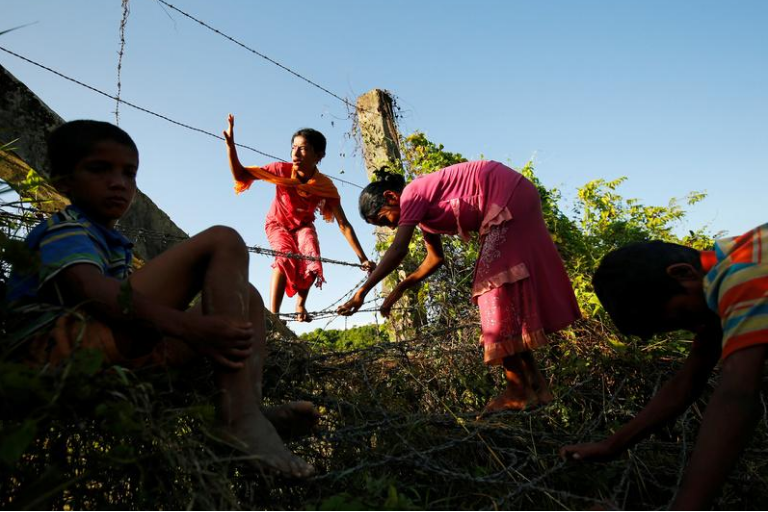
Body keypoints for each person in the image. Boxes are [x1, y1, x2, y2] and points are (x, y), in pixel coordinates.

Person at [6, 120, 315, 478]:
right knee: (223, 239)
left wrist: (194, 328)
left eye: (129, 173)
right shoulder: (66, 227)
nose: (119, 182)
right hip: (50, 359)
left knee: (247, 297)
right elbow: (94, 293)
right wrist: (189, 327)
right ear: (63, 182)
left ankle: (249, 407)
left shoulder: (111, 242)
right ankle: (239, 418)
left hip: (107, 362)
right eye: (99, 169)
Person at [337, 161, 581, 414]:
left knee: (491, 289)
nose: (391, 227)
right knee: (503, 293)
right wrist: (400, 288)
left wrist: (361, 293)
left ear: (391, 196)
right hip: (514, 195)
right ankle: (538, 387)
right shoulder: (423, 215)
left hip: (505, 195)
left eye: (384, 220)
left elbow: (398, 250)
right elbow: (434, 259)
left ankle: (517, 391)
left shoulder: (412, 194)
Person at [560, 227, 768, 510]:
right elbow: (688, 381)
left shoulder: (742, 275)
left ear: (683, 273)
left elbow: (737, 395)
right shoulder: (729, 268)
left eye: (683, 316)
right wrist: (613, 445)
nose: (696, 329)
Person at [223, 114, 375, 322]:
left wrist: (363, 258)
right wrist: (231, 146)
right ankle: (273, 317)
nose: (295, 152)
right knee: (285, 256)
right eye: (293, 147)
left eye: (302, 148)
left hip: (303, 225)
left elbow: (344, 224)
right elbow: (241, 175)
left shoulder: (324, 186)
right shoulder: (281, 170)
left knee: (311, 253)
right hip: (277, 224)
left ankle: (300, 304)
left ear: (318, 155)